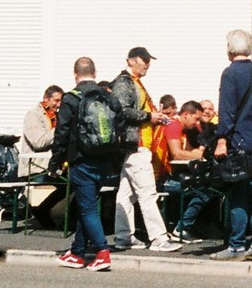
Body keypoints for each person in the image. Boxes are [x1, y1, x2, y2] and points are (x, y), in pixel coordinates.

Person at [212, 28, 252, 261]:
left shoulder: (230, 74)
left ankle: (236, 245)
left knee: (237, 194)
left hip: (238, 141)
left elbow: (226, 110)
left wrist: (221, 139)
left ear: (229, 49)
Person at [110, 47, 180, 253]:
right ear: (131, 61)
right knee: (148, 193)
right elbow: (122, 112)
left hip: (136, 146)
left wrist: (155, 117)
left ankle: (123, 237)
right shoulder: (125, 82)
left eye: (149, 60)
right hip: (136, 145)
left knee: (126, 195)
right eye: (144, 59)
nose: (147, 63)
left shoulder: (133, 82)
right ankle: (158, 238)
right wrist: (151, 117)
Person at [54, 57, 118, 271]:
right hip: (104, 159)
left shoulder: (71, 98)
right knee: (86, 205)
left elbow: (61, 133)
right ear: (95, 72)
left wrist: (56, 162)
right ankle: (78, 252)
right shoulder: (107, 96)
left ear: (75, 75)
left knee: (88, 208)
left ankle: (102, 252)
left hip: (81, 159)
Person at [163, 101, 218, 242]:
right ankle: (181, 228)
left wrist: (198, 153)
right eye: (196, 118)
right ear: (186, 115)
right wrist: (203, 155)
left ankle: (187, 226)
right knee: (204, 190)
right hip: (163, 179)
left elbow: (187, 151)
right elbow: (176, 154)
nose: (197, 122)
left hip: (173, 175)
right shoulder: (173, 125)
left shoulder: (183, 130)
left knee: (205, 185)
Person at [20, 84, 67, 227]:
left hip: (51, 164)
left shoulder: (56, 116)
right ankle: (42, 211)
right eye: (56, 101)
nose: (59, 105)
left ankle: (43, 211)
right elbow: (39, 142)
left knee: (76, 179)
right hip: (35, 166)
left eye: (61, 102)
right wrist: (60, 129)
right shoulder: (33, 115)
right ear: (46, 99)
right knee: (69, 183)